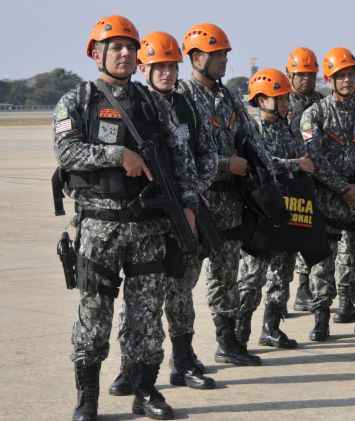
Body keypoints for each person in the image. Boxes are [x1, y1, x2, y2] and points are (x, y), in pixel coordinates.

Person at [56, 15, 201, 420]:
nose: (123, 53)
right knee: (93, 314)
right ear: (95, 53)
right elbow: (67, 152)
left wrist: (187, 205)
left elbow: (181, 157)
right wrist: (118, 155)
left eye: (129, 47)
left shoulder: (152, 101)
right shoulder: (77, 100)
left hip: (149, 226)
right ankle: (87, 398)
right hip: (99, 225)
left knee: (146, 314)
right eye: (114, 46)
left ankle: (145, 389)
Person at [108, 31, 217, 397]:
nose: (167, 74)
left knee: (181, 289)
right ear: (145, 68)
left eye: (172, 66)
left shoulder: (190, 105)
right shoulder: (139, 105)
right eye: (160, 67)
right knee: (141, 297)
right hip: (149, 215)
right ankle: (129, 369)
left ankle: (183, 361)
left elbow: (207, 154)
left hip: (186, 210)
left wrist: (193, 195)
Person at [178, 22, 261, 366]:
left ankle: (227, 342)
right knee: (184, 280)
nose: (224, 60)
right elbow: (183, 153)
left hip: (230, 204)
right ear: (196, 57)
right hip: (199, 204)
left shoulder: (227, 96)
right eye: (217, 55)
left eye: (226, 54)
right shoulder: (182, 97)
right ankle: (182, 354)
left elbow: (251, 137)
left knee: (227, 276)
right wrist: (228, 164)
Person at [300, 47, 355, 340]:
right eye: (341, 76)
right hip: (328, 200)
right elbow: (314, 158)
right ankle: (321, 318)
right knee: (323, 265)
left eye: (351, 74)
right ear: (330, 78)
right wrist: (341, 188)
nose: (348, 81)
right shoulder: (313, 115)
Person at [236, 68, 316, 350]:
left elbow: (304, 157)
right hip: (261, 211)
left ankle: (271, 327)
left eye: (285, 99)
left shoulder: (290, 128)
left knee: (282, 272)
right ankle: (238, 332)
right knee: (252, 275)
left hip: (289, 208)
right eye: (278, 98)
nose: (285, 103)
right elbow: (263, 162)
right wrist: (295, 164)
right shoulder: (251, 129)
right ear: (261, 100)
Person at [285, 47, 325, 313]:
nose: (306, 80)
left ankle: (305, 290)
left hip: (319, 178)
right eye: (301, 75)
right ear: (290, 74)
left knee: (314, 237)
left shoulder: (322, 102)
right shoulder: (282, 101)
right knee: (290, 238)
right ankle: (285, 296)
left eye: (310, 75)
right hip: (291, 178)